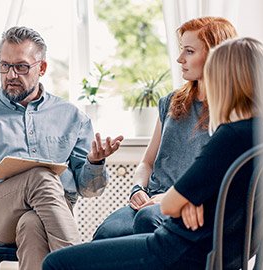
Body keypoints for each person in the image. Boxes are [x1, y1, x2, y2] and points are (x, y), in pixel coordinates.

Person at [42, 37, 263, 270]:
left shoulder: (230, 136)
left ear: (226, 79)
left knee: (56, 262)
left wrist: (183, 199)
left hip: (177, 251)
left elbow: (171, 204)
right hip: (219, 254)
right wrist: (191, 198)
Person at [0, 26, 123, 270]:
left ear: (42, 68)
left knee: (32, 224)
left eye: (21, 66)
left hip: (56, 211)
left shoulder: (71, 117)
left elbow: (89, 190)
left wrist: (95, 163)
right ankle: (80, 265)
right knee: (40, 176)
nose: (11, 74)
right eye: (4, 66)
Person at [93, 17, 238, 240]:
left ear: (215, 55)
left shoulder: (233, 112)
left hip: (192, 207)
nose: (180, 59)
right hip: (151, 200)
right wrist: (137, 189)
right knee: (106, 233)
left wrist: (175, 198)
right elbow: (147, 162)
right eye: (181, 50)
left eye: (189, 51)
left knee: (148, 220)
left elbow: (227, 179)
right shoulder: (171, 102)